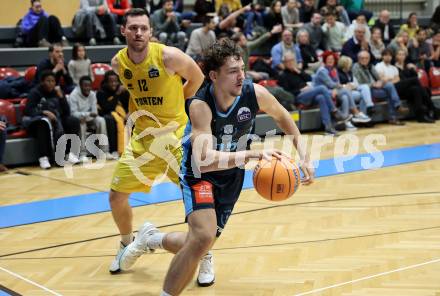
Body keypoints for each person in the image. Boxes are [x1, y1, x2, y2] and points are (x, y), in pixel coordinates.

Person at [118, 38, 315, 296]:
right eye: (233, 71)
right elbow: (205, 160)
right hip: (199, 173)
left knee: (201, 241)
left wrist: (304, 156)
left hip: (230, 176)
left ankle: (150, 239)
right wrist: (251, 155)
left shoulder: (254, 93)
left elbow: (282, 116)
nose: (240, 76)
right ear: (213, 75)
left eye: (242, 69)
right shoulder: (201, 105)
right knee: (202, 237)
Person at [107, 8, 205, 281]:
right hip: (143, 140)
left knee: (196, 201)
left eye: (143, 28)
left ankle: (205, 255)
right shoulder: (118, 63)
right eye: (133, 28)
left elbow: (197, 78)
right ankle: (127, 243)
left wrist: (179, 101)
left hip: (176, 138)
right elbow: (137, 92)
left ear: (151, 32)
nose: (138, 33)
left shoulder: (168, 56)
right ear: (123, 31)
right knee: (116, 196)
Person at [278, 52, 351, 135]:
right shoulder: (282, 75)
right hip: (298, 97)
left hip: (309, 94)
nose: (291, 62)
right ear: (284, 63)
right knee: (322, 88)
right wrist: (301, 90)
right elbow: (286, 93)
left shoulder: (297, 71)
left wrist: (299, 72)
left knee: (321, 98)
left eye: (292, 60)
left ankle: (328, 127)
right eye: (288, 61)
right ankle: (334, 111)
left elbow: (309, 78)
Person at [23, 71, 81, 169]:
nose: (50, 83)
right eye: (48, 81)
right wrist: (44, 112)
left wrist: (61, 97)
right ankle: (44, 157)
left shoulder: (57, 92)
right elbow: (28, 110)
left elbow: (66, 111)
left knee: (72, 121)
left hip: (56, 119)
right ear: (42, 82)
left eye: (53, 81)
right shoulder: (35, 92)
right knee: (44, 123)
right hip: (37, 121)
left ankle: (68, 153)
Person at [313, 50, 371, 130]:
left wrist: (338, 87)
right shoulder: (322, 71)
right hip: (323, 93)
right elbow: (331, 84)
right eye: (329, 59)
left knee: (345, 97)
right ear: (325, 59)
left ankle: (345, 118)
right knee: (346, 90)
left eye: (332, 59)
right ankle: (356, 112)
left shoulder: (333, 70)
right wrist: (343, 86)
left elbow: (337, 83)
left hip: (333, 91)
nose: (330, 61)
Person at [376, 49, 436, 123]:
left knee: (416, 89)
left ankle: (421, 116)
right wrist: (391, 79)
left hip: (400, 87)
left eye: (389, 55)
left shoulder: (393, 68)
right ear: (382, 56)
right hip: (391, 89)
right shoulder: (379, 66)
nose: (388, 57)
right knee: (415, 80)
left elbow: (397, 79)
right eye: (386, 55)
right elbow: (383, 80)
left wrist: (390, 79)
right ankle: (432, 107)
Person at [352, 50, 408, 125]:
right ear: (358, 59)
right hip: (367, 90)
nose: (365, 60)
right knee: (389, 93)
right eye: (362, 58)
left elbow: (378, 78)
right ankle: (394, 113)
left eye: (366, 58)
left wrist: (381, 82)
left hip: (376, 87)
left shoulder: (371, 66)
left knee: (389, 85)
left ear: (369, 59)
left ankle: (396, 108)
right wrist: (373, 84)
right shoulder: (356, 67)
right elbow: (360, 83)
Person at [68, 76, 114, 162]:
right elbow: (73, 113)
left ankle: (104, 152)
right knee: (82, 123)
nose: (87, 88)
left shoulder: (92, 94)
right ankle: (82, 154)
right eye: (85, 86)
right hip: (79, 119)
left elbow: (95, 112)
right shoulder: (73, 95)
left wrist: (88, 115)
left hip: (89, 118)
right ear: (80, 86)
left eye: (89, 86)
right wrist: (86, 115)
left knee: (101, 120)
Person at [97, 70, 130, 155]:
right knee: (110, 120)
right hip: (107, 114)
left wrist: (128, 113)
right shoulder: (101, 92)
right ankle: (114, 150)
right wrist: (117, 94)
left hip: (122, 114)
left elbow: (129, 105)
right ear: (106, 82)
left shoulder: (123, 90)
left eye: (115, 81)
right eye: (110, 82)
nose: (113, 84)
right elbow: (107, 108)